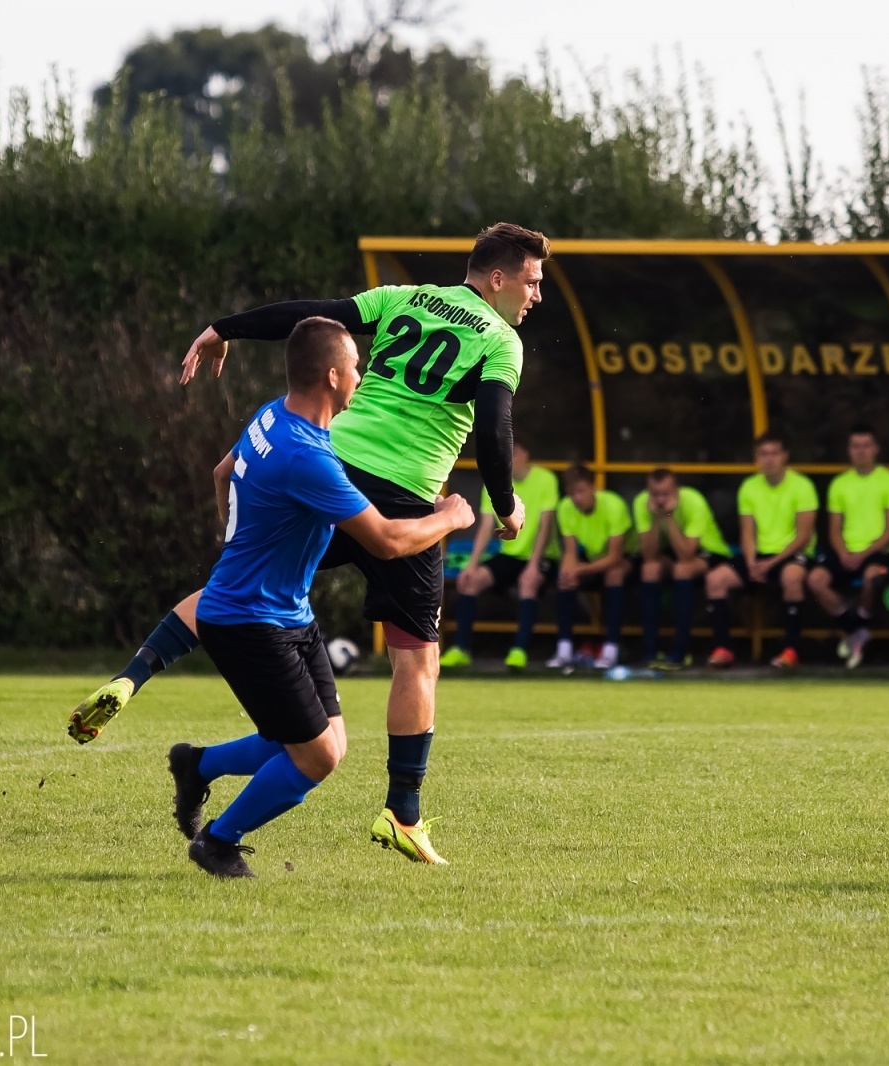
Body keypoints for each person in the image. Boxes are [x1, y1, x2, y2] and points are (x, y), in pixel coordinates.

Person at [71, 222, 548, 866]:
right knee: (416, 660)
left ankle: (141, 684)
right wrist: (503, 505)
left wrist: (224, 327)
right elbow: (493, 429)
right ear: (497, 278)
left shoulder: (402, 297)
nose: (535, 295)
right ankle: (402, 812)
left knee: (238, 583)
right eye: (531, 281)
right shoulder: (501, 339)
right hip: (406, 496)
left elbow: (308, 318)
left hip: (333, 466)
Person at [167, 317, 474, 877]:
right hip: (249, 622)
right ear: (333, 376)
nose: (362, 375)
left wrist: (240, 542)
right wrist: (450, 517)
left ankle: (197, 765)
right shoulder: (306, 456)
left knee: (322, 738)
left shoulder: (273, 416)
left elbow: (221, 474)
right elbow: (386, 542)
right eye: (356, 366)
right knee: (317, 756)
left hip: (288, 614)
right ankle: (217, 841)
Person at [440, 437, 559, 671]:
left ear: (525, 453)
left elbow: (545, 526)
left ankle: (519, 651)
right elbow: (486, 527)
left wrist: (533, 565)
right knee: (469, 581)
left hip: (542, 557)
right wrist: (472, 565)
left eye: (512, 452)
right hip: (510, 556)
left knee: (528, 581)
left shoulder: (546, 479)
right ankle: (461, 650)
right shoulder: (494, 484)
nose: (507, 458)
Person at [705, 433, 818, 669]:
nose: (769, 459)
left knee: (792, 577)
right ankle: (723, 649)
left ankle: (790, 651)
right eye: (763, 454)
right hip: (758, 556)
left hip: (790, 554)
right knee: (715, 578)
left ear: (785, 456)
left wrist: (771, 563)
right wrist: (750, 563)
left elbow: (804, 536)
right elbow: (747, 532)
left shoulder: (802, 486)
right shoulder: (749, 486)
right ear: (756, 457)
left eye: (774, 453)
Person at [807, 426, 889, 669]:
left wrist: (863, 554)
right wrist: (843, 553)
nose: (860, 451)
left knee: (872, 578)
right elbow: (834, 529)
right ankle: (855, 631)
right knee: (815, 580)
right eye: (855, 446)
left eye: (866, 445)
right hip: (846, 551)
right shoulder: (839, 483)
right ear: (849, 450)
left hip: (878, 551)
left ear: (876, 449)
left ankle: (858, 629)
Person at [632, 469, 732, 669]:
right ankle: (651, 651)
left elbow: (686, 554)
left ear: (677, 490)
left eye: (666, 494)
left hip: (707, 551)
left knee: (682, 569)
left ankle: (680, 651)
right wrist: (655, 518)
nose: (660, 500)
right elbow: (649, 555)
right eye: (655, 494)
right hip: (671, 550)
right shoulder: (641, 502)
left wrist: (668, 516)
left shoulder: (693, 500)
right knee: (649, 569)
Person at [546, 465, 632, 669]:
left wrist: (580, 569)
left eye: (581, 491)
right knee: (565, 577)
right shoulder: (565, 507)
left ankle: (610, 651)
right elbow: (570, 551)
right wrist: (569, 571)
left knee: (614, 574)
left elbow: (615, 557)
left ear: (593, 487)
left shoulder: (614, 505)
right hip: (592, 558)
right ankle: (564, 650)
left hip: (626, 558)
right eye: (572, 493)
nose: (577, 498)